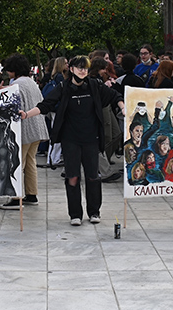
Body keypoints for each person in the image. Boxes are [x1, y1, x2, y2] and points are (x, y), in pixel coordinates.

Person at [20, 55, 126, 226]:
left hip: (91, 139)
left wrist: (123, 107)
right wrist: (26, 114)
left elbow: (115, 96)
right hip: (71, 140)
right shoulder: (64, 87)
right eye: (79, 67)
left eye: (85, 68)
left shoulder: (94, 85)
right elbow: (45, 104)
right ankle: (75, 214)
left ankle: (94, 212)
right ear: (71, 69)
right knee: (73, 177)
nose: (83, 71)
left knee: (93, 177)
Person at [0, 54, 49, 209]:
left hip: (24, 129)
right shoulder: (31, 82)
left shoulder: (16, 85)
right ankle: (31, 194)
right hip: (37, 128)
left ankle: (15, 197)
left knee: (16, 163)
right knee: (30, 162)